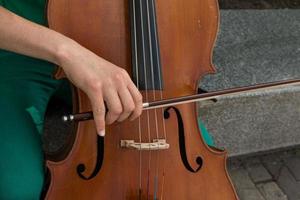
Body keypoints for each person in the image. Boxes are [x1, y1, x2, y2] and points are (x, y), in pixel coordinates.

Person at [0, 1, 214, 199]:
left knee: (195, 185)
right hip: (22, 47)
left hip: (118, 47)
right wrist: (68, 53)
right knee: (15, 189)